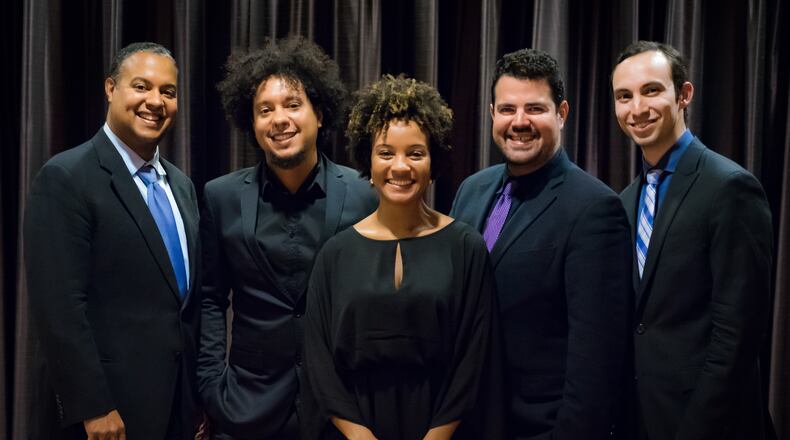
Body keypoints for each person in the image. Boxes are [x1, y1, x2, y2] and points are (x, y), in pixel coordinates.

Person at [303, 75, 503, 440]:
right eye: (385, 153)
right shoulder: (335, 254)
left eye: (415, 153)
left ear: (433, 161)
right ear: (368, 160)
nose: (399, 167)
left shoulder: (465, 247)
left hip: (443, 429)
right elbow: (318, 360)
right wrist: (358, 435)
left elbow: (474, 358)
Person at [197, 36, 377, 439]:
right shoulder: (221, 196)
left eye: (293, 104)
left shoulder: (365, 194)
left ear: (319, 114)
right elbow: (210, 298)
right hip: (245, 410)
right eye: (265, 110)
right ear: (252, 123)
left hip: (341, 413)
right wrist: (211, 384)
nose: (279, 119)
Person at [450, 48, 632, 439]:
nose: (519, 122)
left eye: (534, 109)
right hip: (468, 423)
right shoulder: (471, 190)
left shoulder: (595, 208)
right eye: (507, 109)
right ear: (492, 114)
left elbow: (596, 363)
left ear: (561, 113)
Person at [24, 42, 200, 439]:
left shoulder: (182, 187)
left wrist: (195, 399)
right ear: (110, 88)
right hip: (106, 418)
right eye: (141, 86)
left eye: (168, 92)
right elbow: (59, 308)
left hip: (177, 411)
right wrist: (93, 406)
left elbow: (183, 308)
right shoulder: (67, 177)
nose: (155, 101)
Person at [611, 41, 775, 440]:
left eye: (652, 90)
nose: (637, 108)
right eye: (624, 96)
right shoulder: (625, 202)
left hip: (711, 424)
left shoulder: (730, 187)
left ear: (684, 94)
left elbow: (737, 336)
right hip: (643, 420)